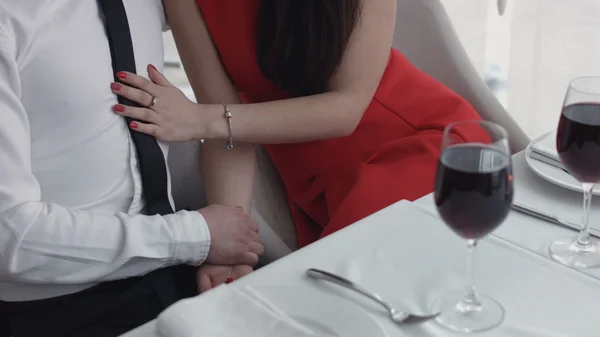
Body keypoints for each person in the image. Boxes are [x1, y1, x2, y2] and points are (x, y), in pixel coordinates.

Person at [112, 0, 487, 248]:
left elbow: (347, 110)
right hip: (319, 184)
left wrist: (200, 119)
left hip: (420, 150)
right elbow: (227, 130)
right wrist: (232, 240)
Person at [0, 1, 262, 336]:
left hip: (187, 268)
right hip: (64, 307)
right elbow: (10, 239)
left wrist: (222, 243)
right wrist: (196, 235)